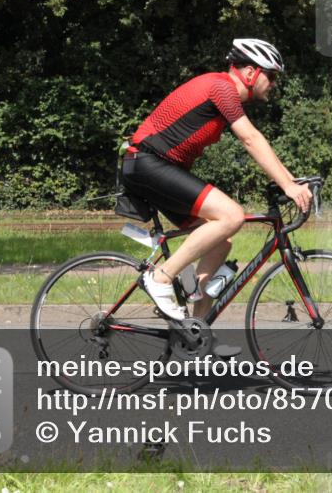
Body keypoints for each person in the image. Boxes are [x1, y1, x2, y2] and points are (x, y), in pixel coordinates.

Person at [120, 39, 312, 355]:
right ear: (250, 72)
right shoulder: (221, 87)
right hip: (147, 162)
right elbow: (251, 139)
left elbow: (255, 142)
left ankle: (196, 337)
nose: (274, 83)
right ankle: (160, 278)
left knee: (220, 242)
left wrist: (291, 181)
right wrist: (289, 187)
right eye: (271, 75)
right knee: (231, 216)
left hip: (156, 166)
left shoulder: (224, 92)